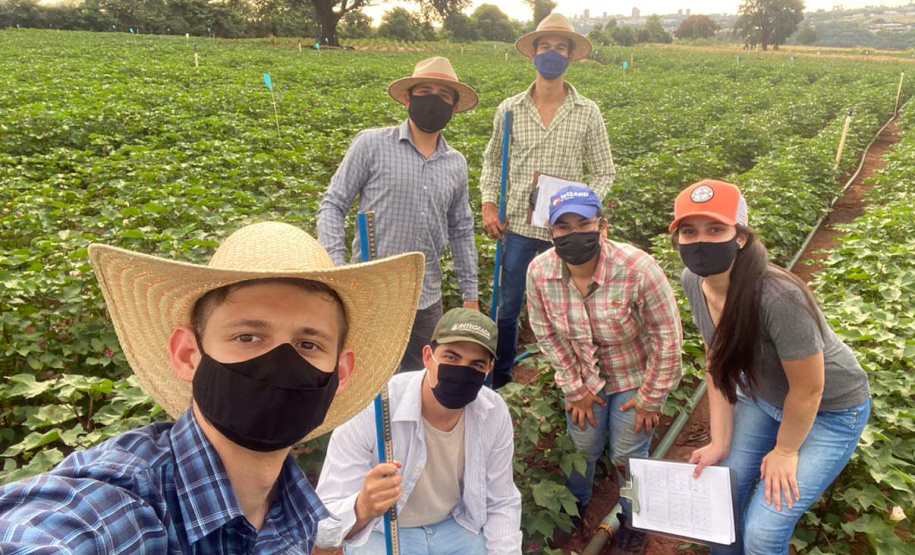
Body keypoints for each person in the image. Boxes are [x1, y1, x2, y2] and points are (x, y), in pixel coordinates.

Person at [0, 221, 424, 554]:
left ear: (340, 374)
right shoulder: (122, 506)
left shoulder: (293, 509)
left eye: (308, 344)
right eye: (248, 337)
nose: (281, 362)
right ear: (188, 355)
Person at [670, 180, 872, 555]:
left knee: (763, 530)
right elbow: (717, 361)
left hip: (829, 411)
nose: (701, 241)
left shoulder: (778, 295)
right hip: (761, 397)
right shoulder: (693, 281)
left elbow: (809, 389)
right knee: (722, 496)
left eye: (716, 229)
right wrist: (720, 441)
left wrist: (785, 451)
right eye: (689, 231)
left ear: (741, 237)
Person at [526, 185, 682, 553]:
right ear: (551, 232)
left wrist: (651, 398)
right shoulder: (539, 272)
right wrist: (573, 386)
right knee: (583, 447)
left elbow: (668, 337)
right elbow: (545, 331)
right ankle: (574, 508)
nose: (574, 233)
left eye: (584, 223)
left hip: (634, 376)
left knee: (629, 455)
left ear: (603, 226)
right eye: (563, 227)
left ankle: (634, 518)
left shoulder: (637, 269)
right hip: (583, 377)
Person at [480, 12, 616, 389]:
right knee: (507, 309)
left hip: (567, 232)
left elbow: (605, 171)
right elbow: (492, 161)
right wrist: (490, 203)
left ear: (571, 56)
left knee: (574, 309)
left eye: (560, 48)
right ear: (533, 54)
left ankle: (578, 381)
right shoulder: (509, 109)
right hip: (519, 229)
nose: (552, 54)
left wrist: (583, 211)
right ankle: (501, 380)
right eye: (545, 47)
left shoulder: (587, 111)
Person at [318, 56, 480, 373]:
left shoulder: (456, 163)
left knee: (419, 380)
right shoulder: (371, 145)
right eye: (425, 91)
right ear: (407, 98)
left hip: (426, 297)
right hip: (370, 291)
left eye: (444, 95)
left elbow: (461, 229)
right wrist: (336, 267)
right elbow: (333, 204)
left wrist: (470, 294)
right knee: (363, 378)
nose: (434, 100)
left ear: (454, 108)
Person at [315, 308, 522, 555]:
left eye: (476, 364)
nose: (461, 371)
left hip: (455, 528)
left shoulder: (492, 412)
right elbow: (325, 520)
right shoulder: (376, 407)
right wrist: (362, 506)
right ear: (427, 356)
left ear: (488, 369)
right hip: (384, 532)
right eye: (451, 357)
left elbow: (501, 500)